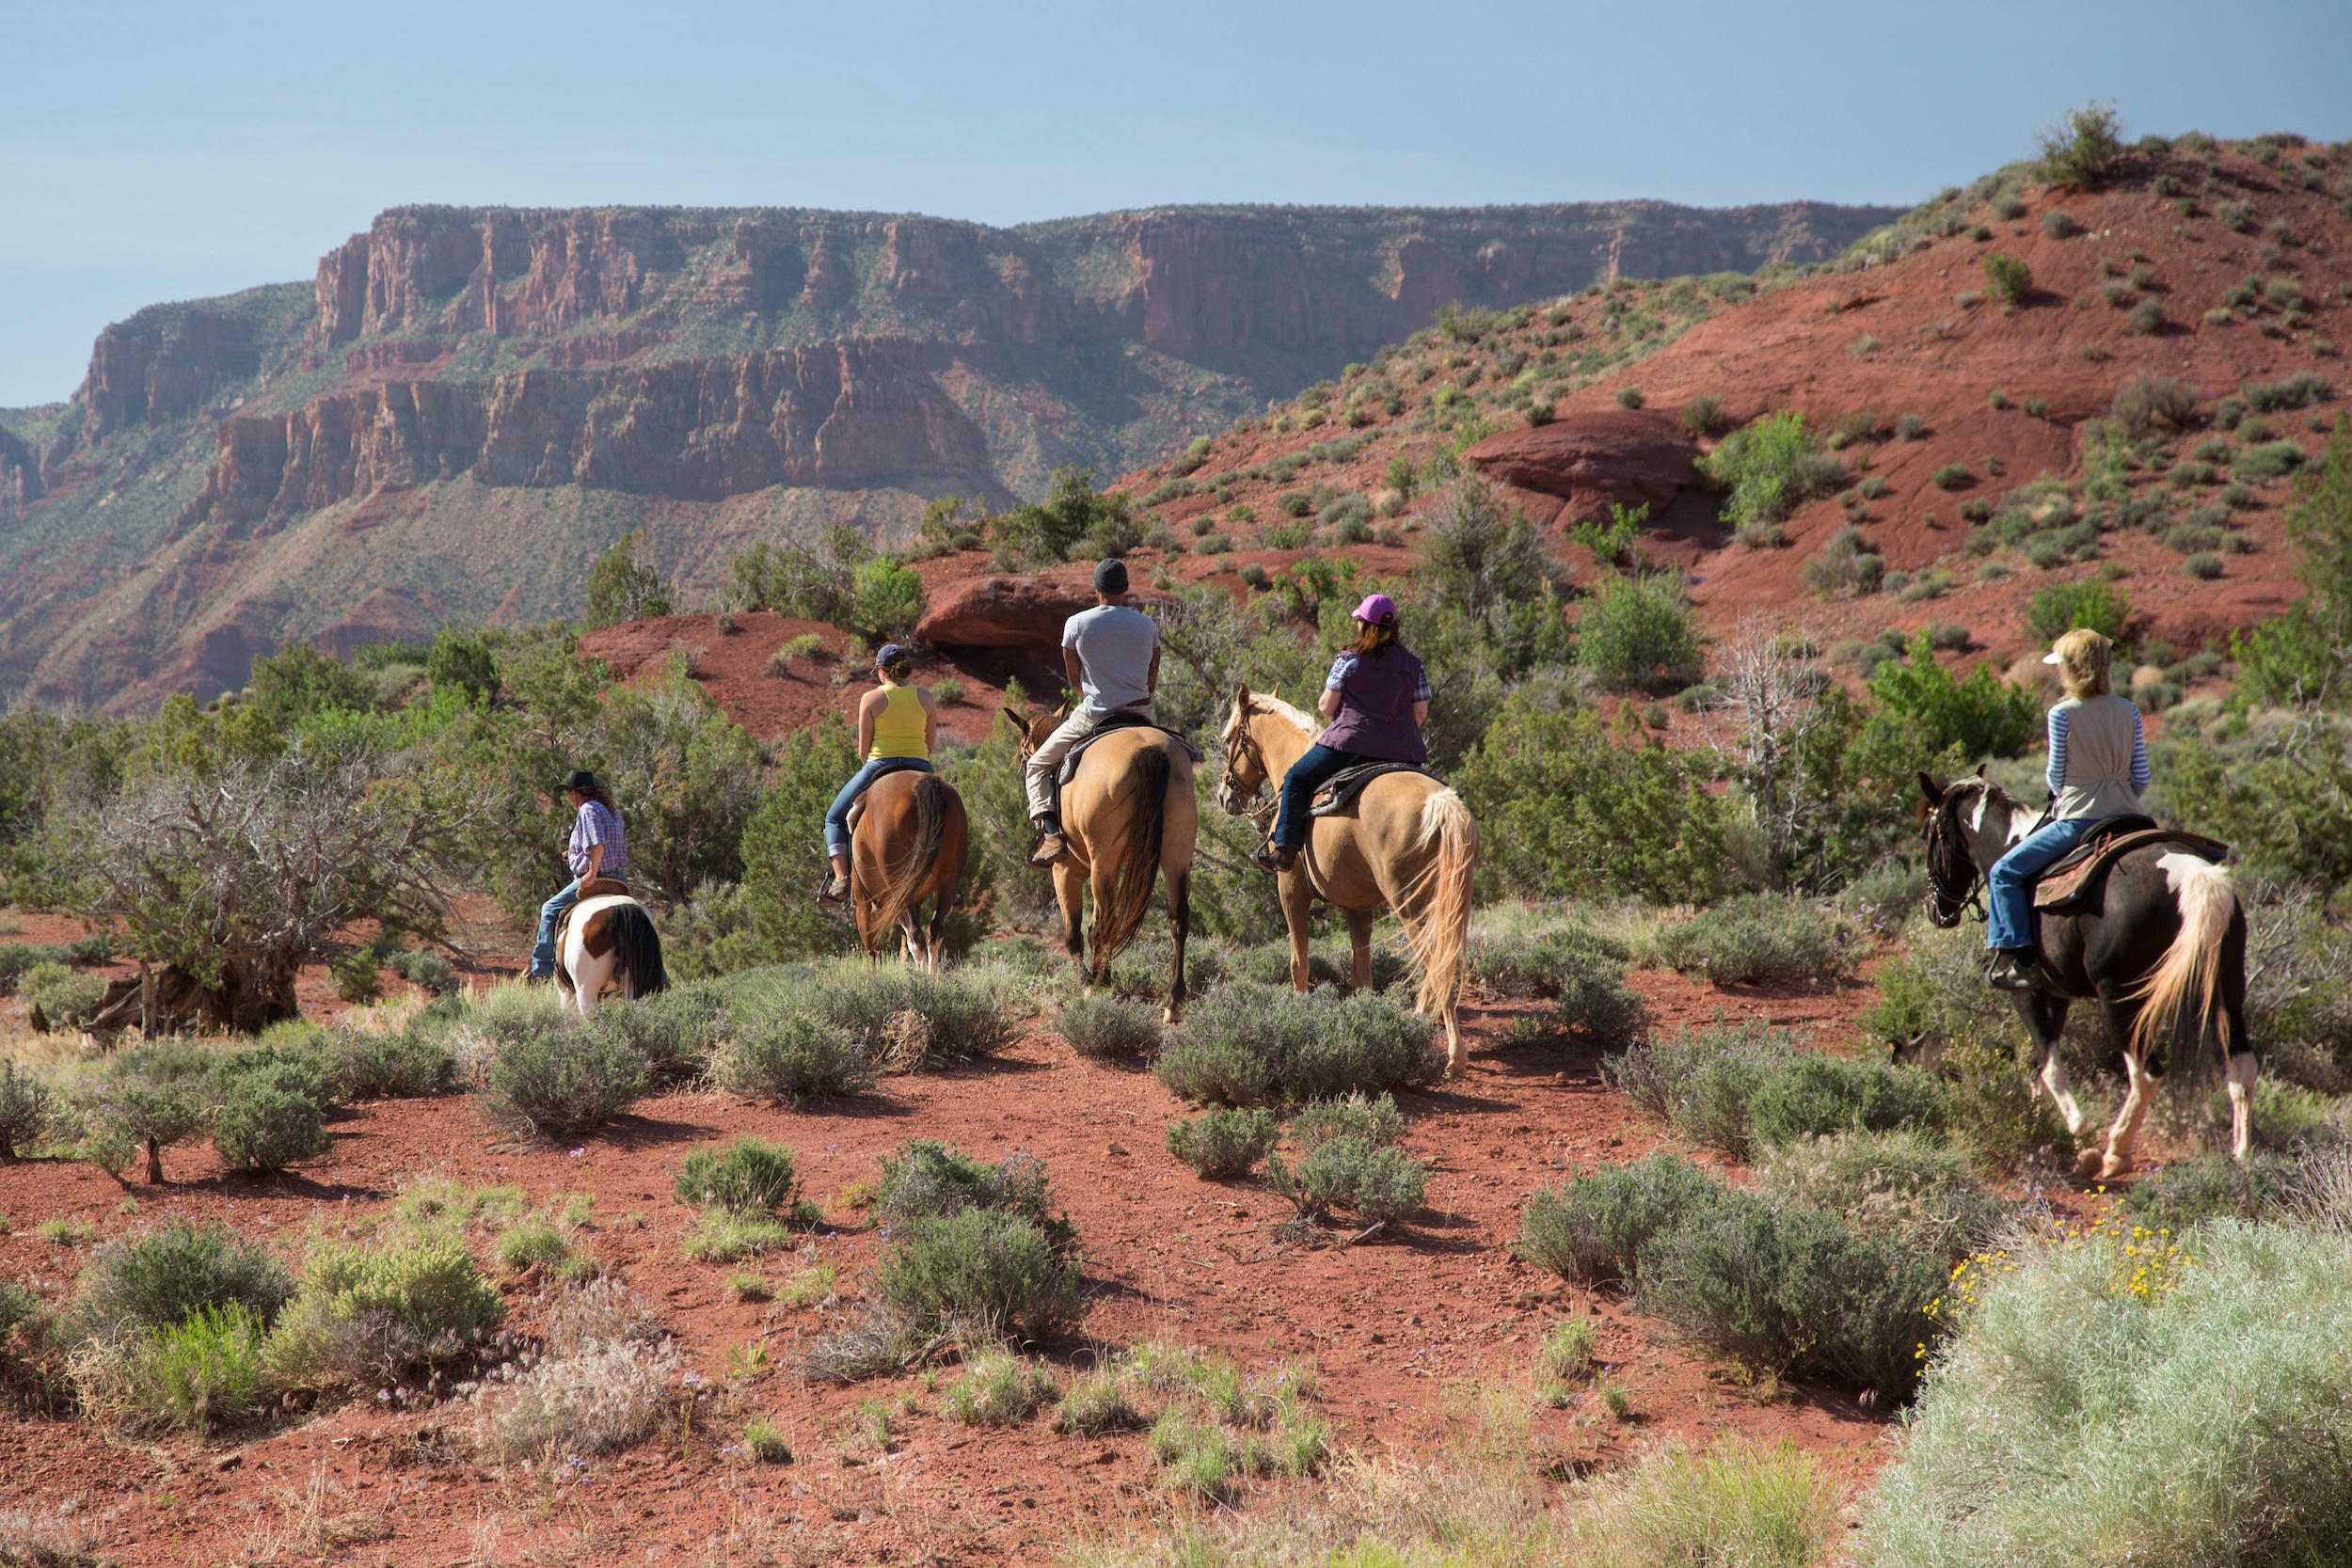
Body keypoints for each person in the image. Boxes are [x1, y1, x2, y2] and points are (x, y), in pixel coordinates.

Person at [1985, 627, 2152, 990]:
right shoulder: (2129, 710)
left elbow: (2056, 779)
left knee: (2004, 873)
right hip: (2129, 816)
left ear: (2073, 668)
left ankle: (2022, 959)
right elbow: (2141, 776)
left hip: (2079, 820)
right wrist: (2119, 796)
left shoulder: (2062, 714)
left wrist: (2075, 794)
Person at [1252, 594, 1431, 874]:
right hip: (1403, 749)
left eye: (1359, 620)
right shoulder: (1413, 665)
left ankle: (1284, 851)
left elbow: (1326, 706)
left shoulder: (1350, 660)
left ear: (1364, 626)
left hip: (1349, 743)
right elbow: (1420, 715)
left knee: (1296, 778)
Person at [1025, 559, 1160, 866]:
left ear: (1096, 588)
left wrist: (1095, 695)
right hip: (1142, 714)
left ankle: (1051, 835)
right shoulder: (1147, 625)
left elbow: (1074, 679)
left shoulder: (1076, 623)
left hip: (1096, 714)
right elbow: (1151, 679)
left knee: (1037, 764)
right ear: (1125, 589)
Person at [819, 643, 940, 903]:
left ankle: (841, 879)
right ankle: (949, 875)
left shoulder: (871, 698)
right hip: (920, 765)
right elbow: (929, 746)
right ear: (904, 670)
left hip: (878, 765)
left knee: (833, 817)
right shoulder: (927, 698)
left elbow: (863, 749)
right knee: (947, 811)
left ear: (882, 671)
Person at [527, 769, 628, 980]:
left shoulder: (587, 810)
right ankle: (661, 976)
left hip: (598, 879)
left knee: (549, 909)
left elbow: (598, 844)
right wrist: (573, 854)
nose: (568, 798)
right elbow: (606, 846)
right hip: (620, 879)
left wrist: (591, 872)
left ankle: (541, 970)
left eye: (568, 793)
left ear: (575, 794)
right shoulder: (612, 811)